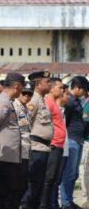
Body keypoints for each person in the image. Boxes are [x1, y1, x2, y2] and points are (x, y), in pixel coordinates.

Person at [0, 72, 25, 209]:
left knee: (10, 194)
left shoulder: (7, 102)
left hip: (10, 158)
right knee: (3, 196)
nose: (23, 91)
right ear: (16, 86)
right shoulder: (2, 102)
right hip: (4, 158)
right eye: (22, 87)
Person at [24, 71, 53, 209]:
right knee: (33, 187)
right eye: (47, 82)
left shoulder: (42, 100)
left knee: (39, 186)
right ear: (37, 84)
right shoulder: (33, 100)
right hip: (36, 149)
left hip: (44, 148)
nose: (50, 84)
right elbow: (25, 123)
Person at [61, 76, 89, 209]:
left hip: (78, 140)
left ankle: (69, 200)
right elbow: (64, 120)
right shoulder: (69, 102)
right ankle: (66, 202)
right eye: (83, 90)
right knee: (69, 172)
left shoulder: (76, 101)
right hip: (71, 139)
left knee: (74, 173)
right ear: (76, 88)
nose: (85, 93)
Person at [40, 78, 66, 209]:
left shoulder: (54, 103)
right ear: (52, 88)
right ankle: (44, 205)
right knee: (49, 178)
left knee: (54, 179)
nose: (62, 90)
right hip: (53, 145)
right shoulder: (48, 102)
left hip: (59, 145)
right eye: (59, 87)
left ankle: (50, 204)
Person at [13, 82, 33, 208]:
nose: (26, 95)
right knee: (14, 185)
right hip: (17, 152)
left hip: (25, 151)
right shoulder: (14, 106)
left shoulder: (25, 108)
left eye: (29, 93)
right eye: (24, 93)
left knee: (22, 185)